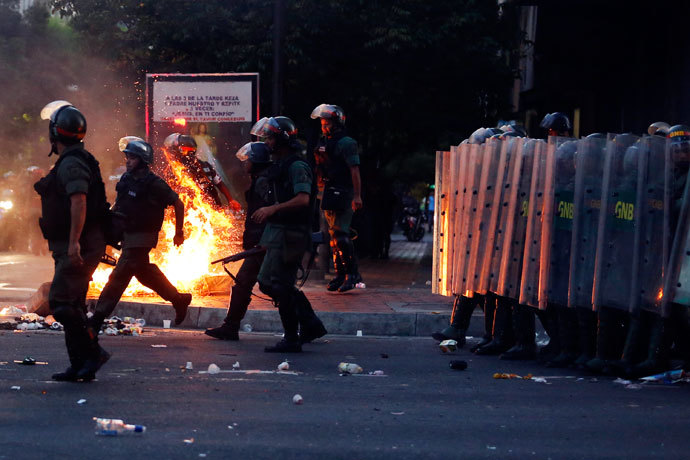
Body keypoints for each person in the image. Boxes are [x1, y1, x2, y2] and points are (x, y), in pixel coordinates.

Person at [34, 100, 110, 382]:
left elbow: (79, 201)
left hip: (80, 246)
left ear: (56, 133)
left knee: (61, 302)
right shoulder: (72, 160)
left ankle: (93, 353)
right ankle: (79, 366)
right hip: (76, 244)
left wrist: (74, 242)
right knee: (73, 304)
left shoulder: (72, 163)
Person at [88, 138, 192, 334]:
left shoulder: (154, 183)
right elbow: (119, 205)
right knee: (144, 273)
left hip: (143, 235)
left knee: (120, 275)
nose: (127, 161)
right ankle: (179, 300)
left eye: (132, 158)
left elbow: (178, 204)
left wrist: (179, 233)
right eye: (127, 157)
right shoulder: (126, 179)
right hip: (127, 233)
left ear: (143, 160)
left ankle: (97, 318)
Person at [251, 116, 327, 352]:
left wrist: (272, 209)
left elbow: (303, 199)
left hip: (290, 234)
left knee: (280, 285)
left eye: (270, 137)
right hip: (277, 233)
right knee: (269, 284)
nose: (267, 141)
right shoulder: (281, 165)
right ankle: (309, 324)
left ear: (282, 139)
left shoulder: (297, 166)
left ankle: (293, 337)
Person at [205, 142, 274, 340]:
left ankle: (308, 324)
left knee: (275, 286)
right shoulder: (259, 180)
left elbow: (271, 214)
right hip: (258, 243)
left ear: (257, 161)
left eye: (248, 160)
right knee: (243, 283)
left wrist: (265, 240)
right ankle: (230, 326)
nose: (244, 164)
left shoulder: (264, 182)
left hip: (264, 243)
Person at [310, 104, 363, 292]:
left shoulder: (347, 143)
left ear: (338, 122)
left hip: (344, 192)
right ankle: (340, 274)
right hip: (327, 193)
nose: (324, 127)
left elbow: (354, 170)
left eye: (327, 123)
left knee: (341, 234)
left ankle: (352, 274)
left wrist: (357, 196)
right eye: (322, 124)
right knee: (333, 236)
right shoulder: (324, 142)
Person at [162, 133, 241, 211]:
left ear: (180, 150)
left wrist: (231, 200)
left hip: (199, 212)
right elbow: (219, 184)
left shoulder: (176, 170)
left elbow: (219, 184)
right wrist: (230, 200)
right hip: (210, 210)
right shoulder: (205, 165)